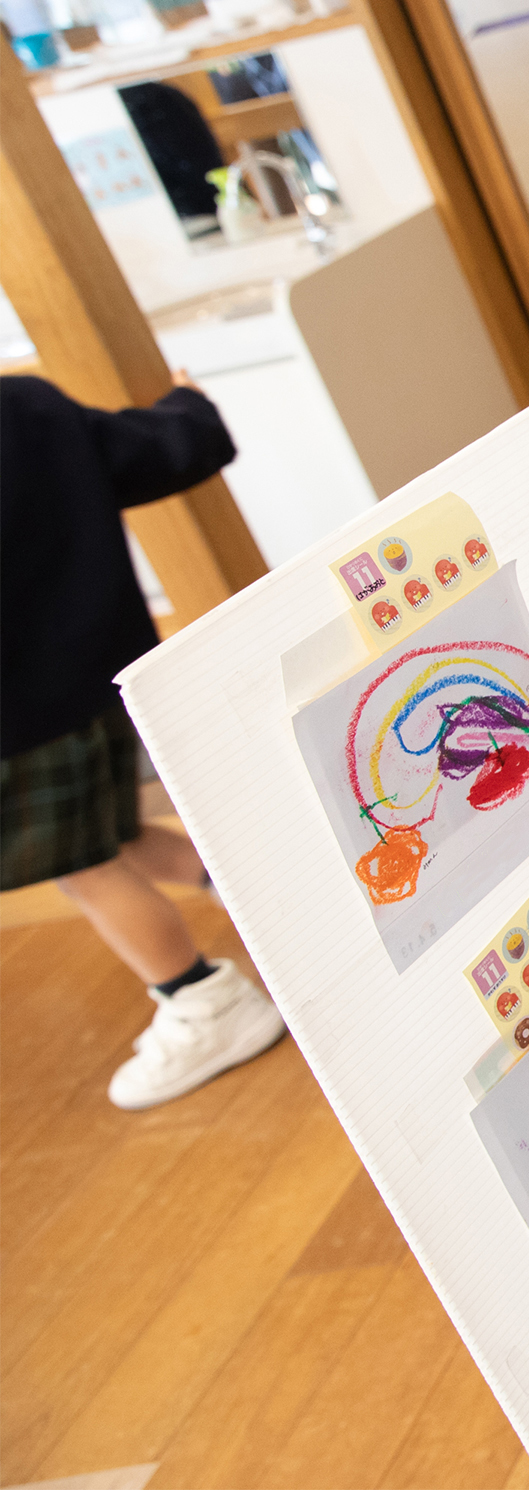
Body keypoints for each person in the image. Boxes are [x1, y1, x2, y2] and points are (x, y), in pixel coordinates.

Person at [0, 369, 285, 1109]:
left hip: (19, 720)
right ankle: (259, 893)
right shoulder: (29, 408)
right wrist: (187, 403)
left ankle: (202, 998)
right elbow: (171, 450)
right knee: (108, 832)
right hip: (101, 677)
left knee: (82, 865)